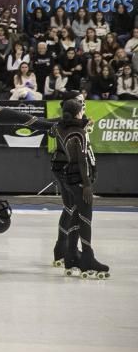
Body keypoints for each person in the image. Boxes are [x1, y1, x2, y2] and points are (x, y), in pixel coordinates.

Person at [50, 99, 108, 279]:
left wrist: (83, 122)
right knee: (85, 219)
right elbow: (82, 161)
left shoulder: (61, 128)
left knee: (75, 215)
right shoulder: (79, 134)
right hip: (79, 181)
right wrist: (88, 185)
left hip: (69, 178)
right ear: (77, 113)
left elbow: (62, 125)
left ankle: (71, 256)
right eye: (81, 110)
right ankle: (88, 259)